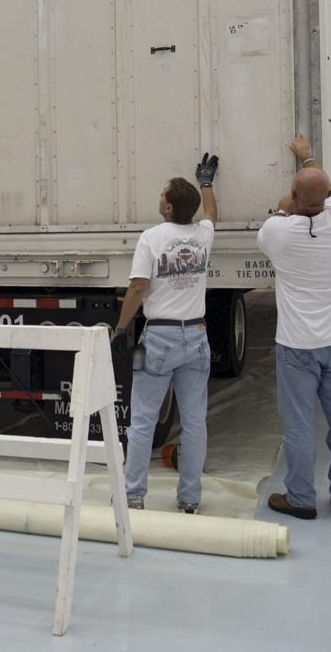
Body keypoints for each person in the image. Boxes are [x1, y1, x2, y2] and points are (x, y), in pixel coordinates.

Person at [257, 134, 331, 519]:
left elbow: (280, 218)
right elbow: (324, 187)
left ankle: (300, 498)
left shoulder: (278, 232)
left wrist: (286, 209)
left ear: (292, 197)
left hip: (298, 346)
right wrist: (308, 157)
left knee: (299, 426)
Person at [113, 154, 219, 513]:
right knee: (194, 422)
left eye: (162, 194)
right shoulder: (202, 236)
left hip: (159, 339)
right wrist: (206, 183)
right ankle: (190, 499)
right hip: (197, 337)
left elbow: (138, 286)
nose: (159, 197)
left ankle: (133, 495)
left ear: (169, 207)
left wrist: (121, 328)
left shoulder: (152, 238)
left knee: (142, 421)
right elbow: (211, 215)